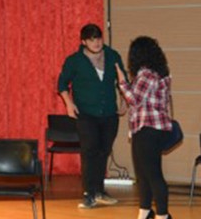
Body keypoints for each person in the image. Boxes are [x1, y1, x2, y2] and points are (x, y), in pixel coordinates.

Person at [57, 23, 127, 209]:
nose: (96, 43)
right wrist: (69, 103)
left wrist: (124, 101)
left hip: (109, 113)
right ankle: (89, 193)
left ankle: (99, 191)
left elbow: (122, 80)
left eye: (98, 38)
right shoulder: (74, 60)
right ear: (83, 42)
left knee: (104, 151)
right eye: (91, 39)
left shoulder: (112, 55)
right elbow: (62, 84)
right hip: (86, 113)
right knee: (89, 151)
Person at [116, 36, 173, 219]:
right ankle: (145, 212)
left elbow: (134, 99)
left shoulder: (147, 74)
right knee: (143, 175)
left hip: (148, 129)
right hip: (147, 129)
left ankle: (163, 215)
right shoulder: (157, 72)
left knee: (153, 175)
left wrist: (122, 81)